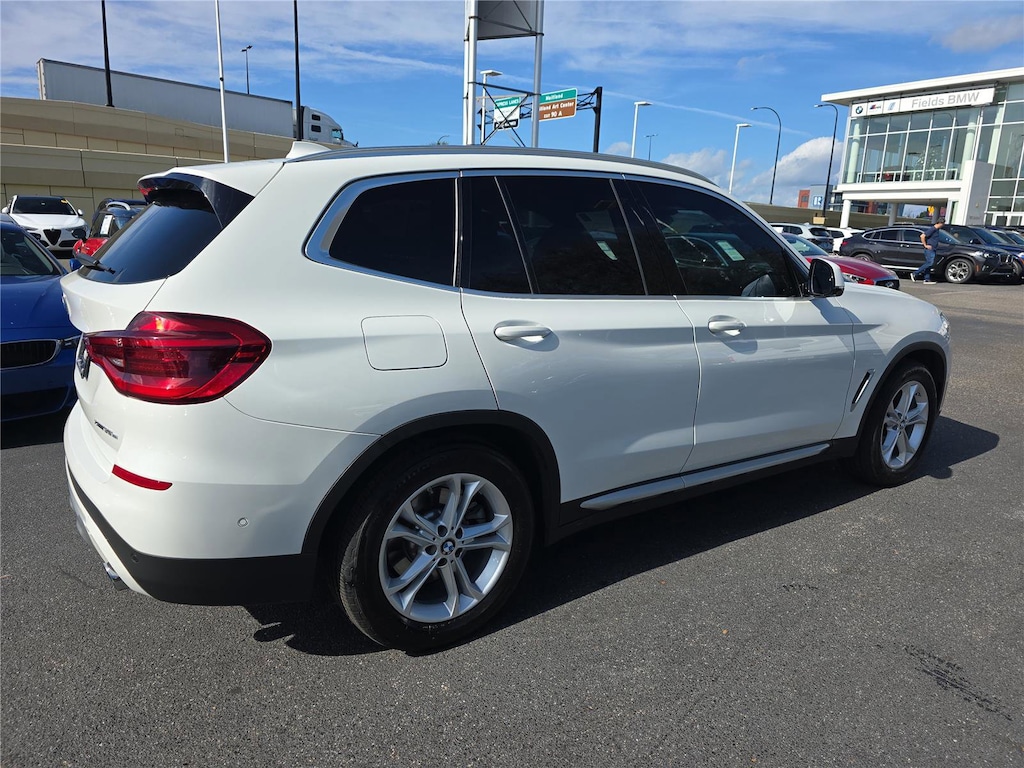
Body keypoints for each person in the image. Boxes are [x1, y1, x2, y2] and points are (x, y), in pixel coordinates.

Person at [912, 218, 945, 283]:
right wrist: (925, 245)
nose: (943, 225)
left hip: (933, 249)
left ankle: (927, 279)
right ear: (940, 223)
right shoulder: (933, 229)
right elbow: (922, 236)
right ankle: (915, 273)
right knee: (930, 263)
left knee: (929, 263)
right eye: (943, 224)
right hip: (930, 249)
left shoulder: (937, 230)